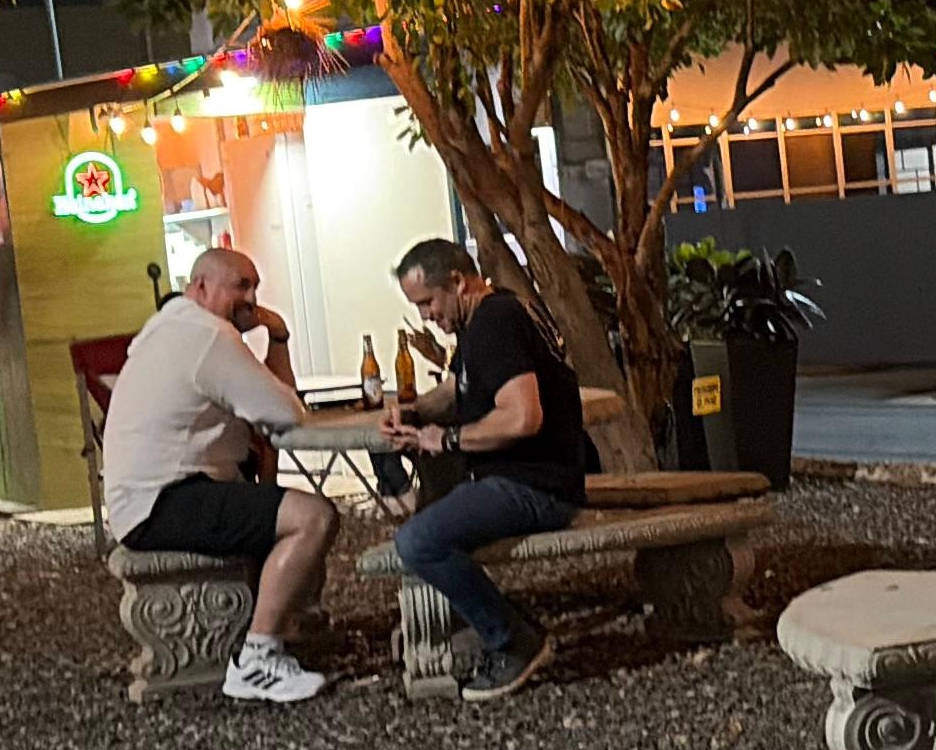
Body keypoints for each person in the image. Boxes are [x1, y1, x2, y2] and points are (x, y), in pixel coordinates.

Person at [94, 245, 336, 705]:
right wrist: (271, 340)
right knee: (313, 516)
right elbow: (284, 411)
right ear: (201, 287)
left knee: (278, 506)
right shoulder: (206, 336)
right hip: (162, 501)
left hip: (144, 499)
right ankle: (258, 660)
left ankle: (280, 626)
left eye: (255, 287)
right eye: (240, 285)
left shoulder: (175, 328)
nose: (250, 298)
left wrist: (276, 336)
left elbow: (277, 403)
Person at [380, 236, 596, 701]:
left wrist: (446, 438)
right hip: (532, 477)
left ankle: (513, 640)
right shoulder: (491, 317)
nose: (426, 317)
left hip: (536, 485)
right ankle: (480, 620)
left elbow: (522, 417)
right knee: (428, 518)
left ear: (458, 282)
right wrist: (413, 413)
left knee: (418, 540)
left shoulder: (495, 322)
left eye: (428, 302)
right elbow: (458, 389)